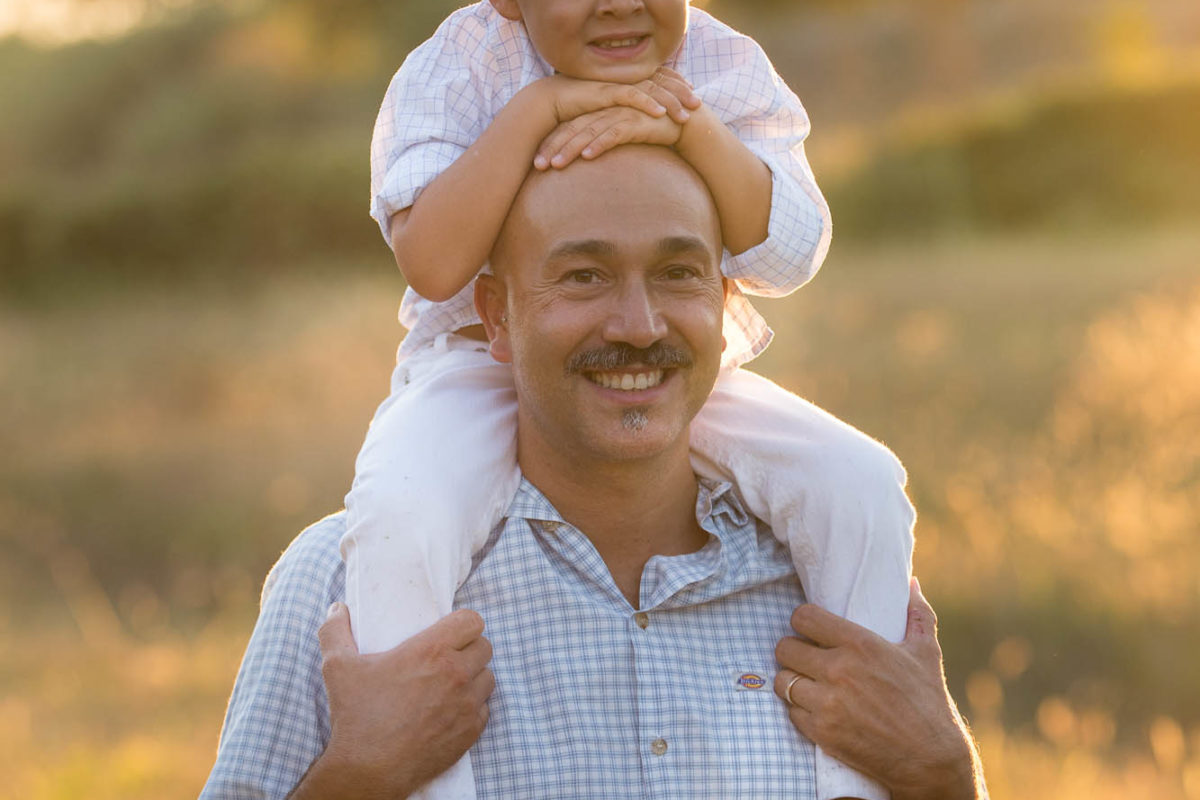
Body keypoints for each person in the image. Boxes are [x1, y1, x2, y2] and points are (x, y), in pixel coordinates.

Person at [202, 145, 986, 800]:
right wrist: (358, 776)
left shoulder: (834, 583)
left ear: (722, 306)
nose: (638, 326)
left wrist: (945, 775)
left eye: (678, 274)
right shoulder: (342, 590)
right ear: (497, 315)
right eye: (584, 277)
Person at [346, 3, 914, 796]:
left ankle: (862, 772)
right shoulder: (462, 61)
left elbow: (787, 255)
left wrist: (690, 126)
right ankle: (424, 777)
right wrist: (538, 111)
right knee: (403, 511)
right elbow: (435, 263)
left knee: (861, 482)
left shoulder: (721, 63)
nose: (620, 3)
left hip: (676, 372)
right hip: (475, 367)